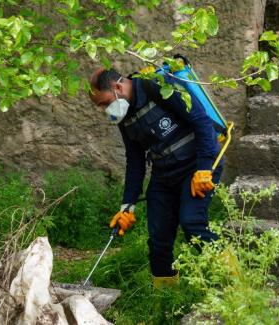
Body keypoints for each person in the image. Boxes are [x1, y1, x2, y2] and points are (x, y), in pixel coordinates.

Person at [89, 67, 223, 288]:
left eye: (103, 103)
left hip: (196, 166)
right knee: (158, 240)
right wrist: (127, 205)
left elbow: (200, 120)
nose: (104, 109)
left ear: (117, 87)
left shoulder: (157, 85)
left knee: (193, 223)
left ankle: (236, 286)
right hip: (164, 174)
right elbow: (135, 160)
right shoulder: (124, 115)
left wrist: (204, 168)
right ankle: (166, 299)